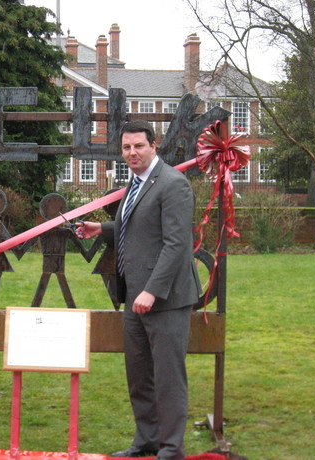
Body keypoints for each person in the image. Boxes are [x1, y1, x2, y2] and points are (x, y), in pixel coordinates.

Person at [76, 121, 201, 460]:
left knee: (168, 378)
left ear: (153, 146)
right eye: (127, 148)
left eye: (138, 146)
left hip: (166, 300)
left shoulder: (174, 184)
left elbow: (177, 244)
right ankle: (147, 441)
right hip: (133, 296)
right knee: (139, 376)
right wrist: (101, 228)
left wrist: (152, 291)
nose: (132, 153)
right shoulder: (135, 183)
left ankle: (172, 449)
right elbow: (140, 226)